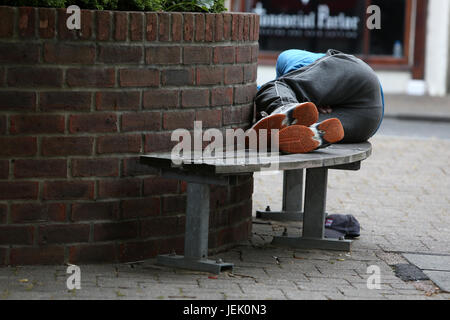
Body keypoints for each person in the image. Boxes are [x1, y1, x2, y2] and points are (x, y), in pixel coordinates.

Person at [250, 49, 385, 153]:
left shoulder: (287, 59)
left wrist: (306, 98)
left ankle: (285, 107)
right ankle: (314, 133)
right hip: (366, 125)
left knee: (276, 88)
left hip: (360, 81)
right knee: (296, 129)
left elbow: (280, 86)